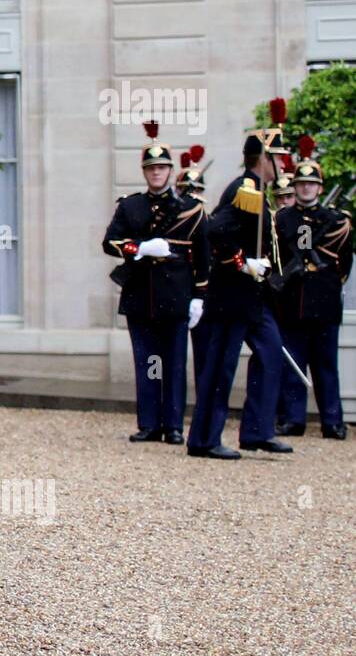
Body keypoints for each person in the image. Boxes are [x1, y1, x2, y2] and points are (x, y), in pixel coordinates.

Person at [186, 106, 293, 459]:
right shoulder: (245, 189)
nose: (284, 164)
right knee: (220, 365)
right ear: (263, 158)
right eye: (278, 157)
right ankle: (204, 439)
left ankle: (257, 431)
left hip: (255, 296)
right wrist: (241, 262)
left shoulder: (260, 191)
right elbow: (213, 231)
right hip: (232, 293)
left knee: (271, 354)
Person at [103, 121, 209, 445]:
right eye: (152, 168)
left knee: (175, 364)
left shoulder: (191, 210)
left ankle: (174, 425)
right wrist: (138, 248)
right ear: (145, 172)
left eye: (162, 168)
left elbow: (203, 255)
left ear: (169, 170)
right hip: (141, 295)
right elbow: (110, 243)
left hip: (176, 296)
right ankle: (149, 422)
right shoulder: (131, 205)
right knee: (149, 362)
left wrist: (199, 296)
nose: (157, 173)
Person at [275, 137, 353, 439]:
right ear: (294, 187)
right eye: (301, 184)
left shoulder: (335, 221)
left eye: (311, 184)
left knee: (325, 367)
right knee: (294, 366)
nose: (306, 188)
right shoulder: (282, 219)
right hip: (292, 302)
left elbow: (343, 264)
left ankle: (332, 421)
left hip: (323, 302)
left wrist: (327, 283)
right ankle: (294, 419)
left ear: (320, 188)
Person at [176, 147, 213, 387]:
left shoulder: (210, 221)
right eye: (188, 191)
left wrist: (201, 294)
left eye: (198, 191)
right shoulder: (171, 221)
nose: (194, 196)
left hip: (203, 294)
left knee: (205, 357)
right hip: (175, 291)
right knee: (174, 359)